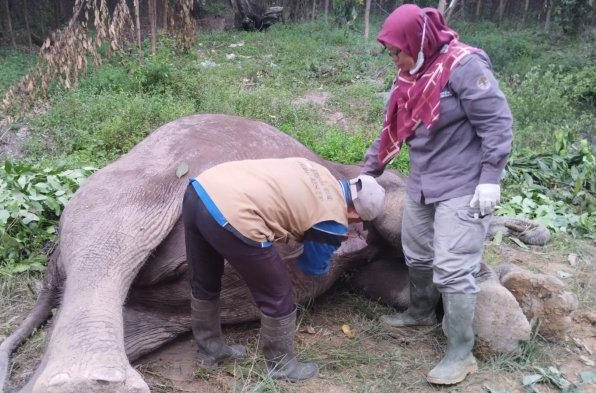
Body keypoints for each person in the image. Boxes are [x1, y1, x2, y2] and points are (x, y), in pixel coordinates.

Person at [359, 4, 513, 386]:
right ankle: (420, 313)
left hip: (463, 184)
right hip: (424, 181)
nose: (394, 59)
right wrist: (366, 173)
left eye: (398, 50)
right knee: (417, 251)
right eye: (390, 52)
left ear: (419, 40)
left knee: (453, 265)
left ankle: (462, 352)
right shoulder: (410, 76)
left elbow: (497, 122)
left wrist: (491, 177)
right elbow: (391, 129)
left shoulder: (464, 67)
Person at [183, 157, 385, 381]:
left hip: (200, 191)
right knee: (279, 295)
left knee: (205, 280)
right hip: (234, 214)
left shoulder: (320, 172)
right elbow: (311, 268)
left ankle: (209, 351)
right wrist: (328, 245)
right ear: (356, 215)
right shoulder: (333, 219)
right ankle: (281, 367)